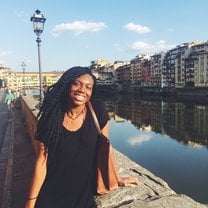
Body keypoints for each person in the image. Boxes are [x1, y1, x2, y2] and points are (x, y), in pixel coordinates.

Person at [25, 66, 138, 208]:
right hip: (51, 195)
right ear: (67, 86)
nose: (82, 90)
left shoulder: (98, 110)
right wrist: (30, 203)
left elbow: (105, 149)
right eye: (76, 83)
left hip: (84, 197)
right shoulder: (52, 117)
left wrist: (115, 178)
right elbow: (41, 162)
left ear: (91, 91)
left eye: (88, 87)